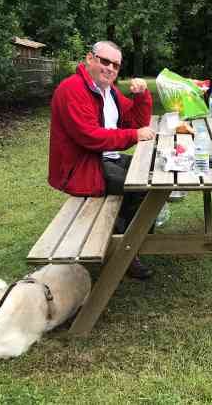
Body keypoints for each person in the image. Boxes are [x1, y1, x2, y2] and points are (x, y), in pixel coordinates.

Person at [48, 41, 155, 279]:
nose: (110, 69)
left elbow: (135, 121)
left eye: (115, 65)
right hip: (83, 168)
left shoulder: (108, 90)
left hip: (105, 159)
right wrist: (133, 136)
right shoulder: (72, 89)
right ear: (90, 59)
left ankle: (133, 235)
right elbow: (90, 137)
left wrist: (142, 96)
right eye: (105, 61)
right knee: (142, 187)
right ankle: (125, 253)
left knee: (152, 171)